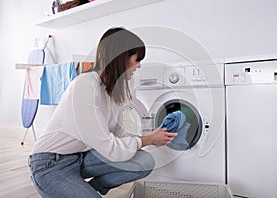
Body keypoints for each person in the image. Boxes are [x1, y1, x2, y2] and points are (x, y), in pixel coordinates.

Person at [28, 27, 177, 198]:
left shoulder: (113, 92)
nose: (139, 65)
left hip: (80, 158)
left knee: (145, 161)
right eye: (137, 59)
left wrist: (150, 137)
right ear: (121, 58)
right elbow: (109, 148)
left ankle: (91, 188)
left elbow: (120, 135)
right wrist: (147, 139)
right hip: (49, 164)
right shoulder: (85, 85)